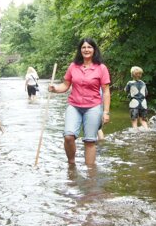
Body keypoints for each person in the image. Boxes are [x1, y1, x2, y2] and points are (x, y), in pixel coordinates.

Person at [48, 38, 111, 166]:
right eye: (83, 47)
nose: (86, 50)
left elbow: (106, 92)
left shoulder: (101, 68)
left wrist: (106, 112)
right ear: (80, 50)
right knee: (68, 136)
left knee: (89, 141)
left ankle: (90, 174)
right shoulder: (73, 66)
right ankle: (71, 166)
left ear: (94, 50)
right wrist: (55, 89)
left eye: (89, 47)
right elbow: (65, 85)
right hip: (74, 106)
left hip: (93, 106)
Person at [125, 66, 149, 130]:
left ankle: (135, 133)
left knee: (134, 121)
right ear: (140, 74)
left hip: (134, 103)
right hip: (143, 104)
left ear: (132, 74)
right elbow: (146, 93)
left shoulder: (129, 83)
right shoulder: (143, 83)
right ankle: (147, 131)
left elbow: (126, 90)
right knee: (143, 121)